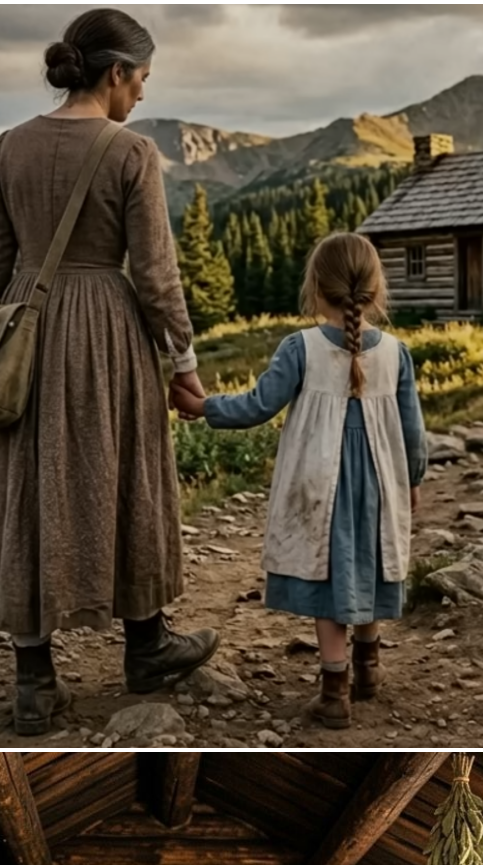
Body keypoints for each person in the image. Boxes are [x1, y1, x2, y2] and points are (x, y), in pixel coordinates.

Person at [0, 7, 219, 735]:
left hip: (26, 326)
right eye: (141, 79)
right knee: (126, 473)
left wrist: (1, 339)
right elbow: (157, 274)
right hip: (108, 327)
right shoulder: (131, 152)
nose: (142, 94)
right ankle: (147, 647)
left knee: (29, 486)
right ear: (115, 73)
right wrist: (184, 359)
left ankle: (34, 682)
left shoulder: (7, 148)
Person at [171, 231, 427, 729]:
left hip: (319, 488)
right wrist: (411, 480)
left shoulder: (300, 348)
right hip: (377, 483)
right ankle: (368, 667)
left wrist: (203, 407)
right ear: (376, 290)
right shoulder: (397, 353)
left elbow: (257, 405)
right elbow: (413, 429)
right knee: (370, 564)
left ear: (315, 287)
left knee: (328, 578)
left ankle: (335, 691)